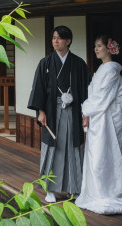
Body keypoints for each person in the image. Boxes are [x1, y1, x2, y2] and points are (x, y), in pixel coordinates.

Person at [75, 35, 122, 214]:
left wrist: (86, 109)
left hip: (106, 119)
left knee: (103, 156)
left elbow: (102, 97)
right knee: (95, 156)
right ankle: (97, 191)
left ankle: (109, 191)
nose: (96, 49)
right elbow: (94, 95)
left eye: (100, 46)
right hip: (97, 117)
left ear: (110, 49)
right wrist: (86, 112)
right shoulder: (101, 69)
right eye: (95, 46)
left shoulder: (112, 70)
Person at [28, 26, 91, 203]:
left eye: (59, 38)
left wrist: (86, 114)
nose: (55, 41)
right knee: (53, 149)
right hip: (52, 112)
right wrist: (40, 112)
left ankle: (75, 189)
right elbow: (38, 89)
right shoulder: (45, 63)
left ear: (68, 41)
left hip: (74, 111)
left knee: (73, 148)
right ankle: (50, 189)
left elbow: (87, 91)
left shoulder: (78, 64)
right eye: (54, 37)